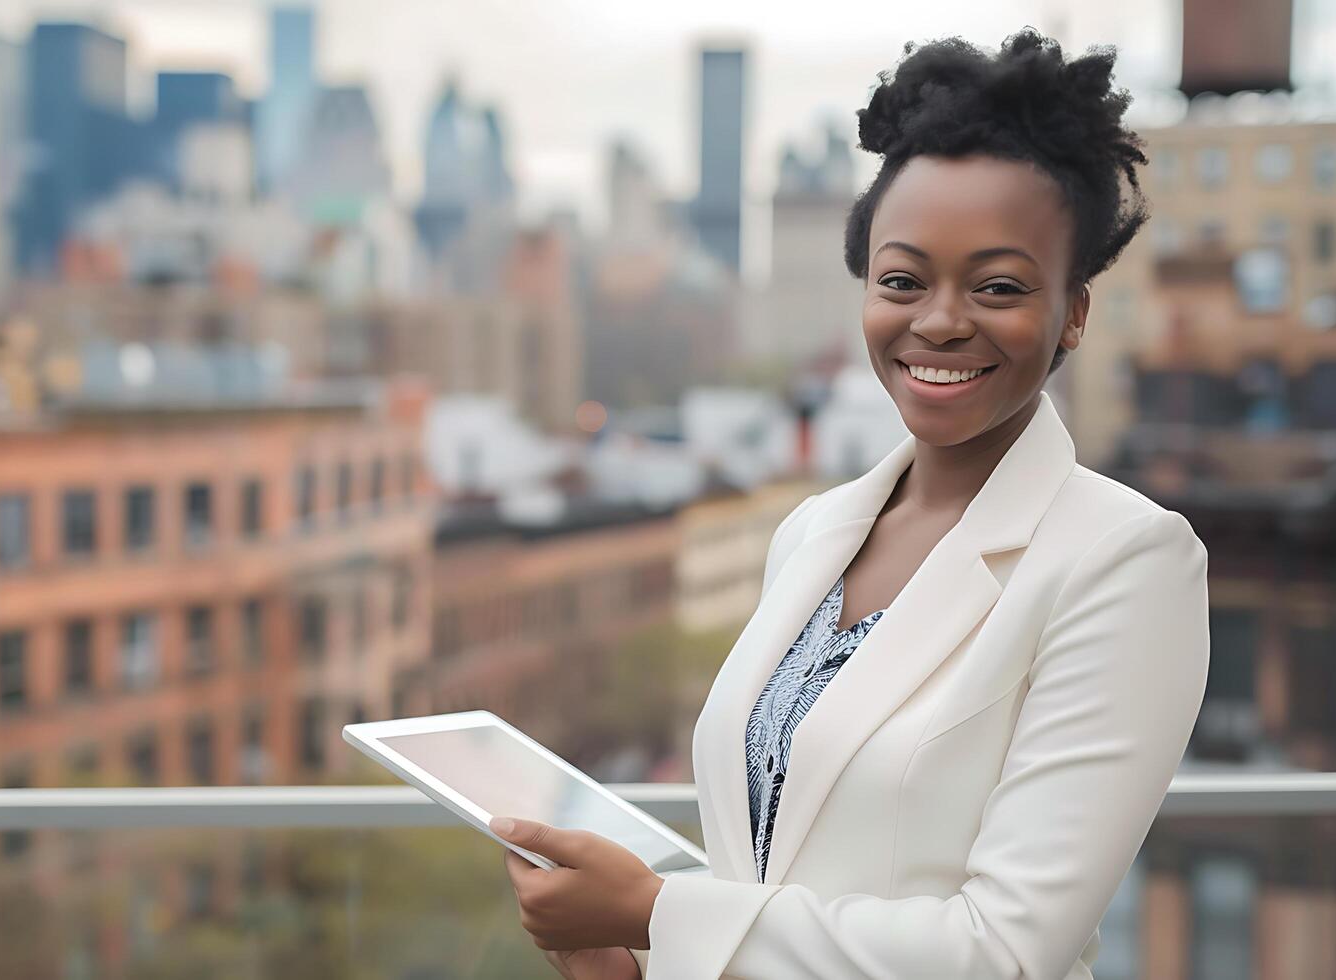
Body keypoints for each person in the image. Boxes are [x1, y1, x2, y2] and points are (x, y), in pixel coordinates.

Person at [494, 28, 1209, 979]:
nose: (940, 319)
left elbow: (1003, 953)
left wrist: (661, 911)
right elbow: (770, 875)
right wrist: (628, 957)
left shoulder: (1127, 561)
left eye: (997, 285)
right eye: (902, 280)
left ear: (1073, 310)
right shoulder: (810, 534)